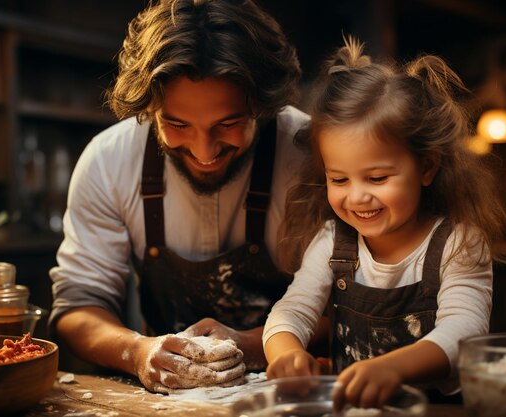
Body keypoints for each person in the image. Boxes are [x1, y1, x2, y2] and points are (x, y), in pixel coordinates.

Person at [49, 0, 311, 392]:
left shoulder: (311, 158)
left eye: (229, 123)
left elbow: (357, 304)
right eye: (177, 124)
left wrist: (252, 346)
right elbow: (77, 308)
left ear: (261, 105)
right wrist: (139, 352)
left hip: (293, 392)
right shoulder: (108, 161)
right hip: (165, 396)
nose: (204, 152)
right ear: (150, 108)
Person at [263, 36, 506, 410]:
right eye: (339, 179)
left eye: (377, 178)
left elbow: (465, 333)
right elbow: (292, 310)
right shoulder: (332, 241)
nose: (357, 196)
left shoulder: (459, 243)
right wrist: (286, 353)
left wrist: (392, 369)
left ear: (426, 167)